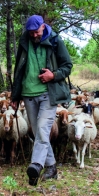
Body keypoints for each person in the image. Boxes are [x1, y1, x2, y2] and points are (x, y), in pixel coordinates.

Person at [11, 15, 73, 186]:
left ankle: (36, 165)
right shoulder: (25, 41)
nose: (34, 36)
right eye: (31, 33)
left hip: (48, 94)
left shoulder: (55, 41)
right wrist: (15, 96)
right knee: (38, 132)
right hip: (28, 94)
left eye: (36, 32)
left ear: (43, 27)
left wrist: (53, 75)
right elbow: (19, 69)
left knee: (43, 129)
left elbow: (67, 65)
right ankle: (51, 167)